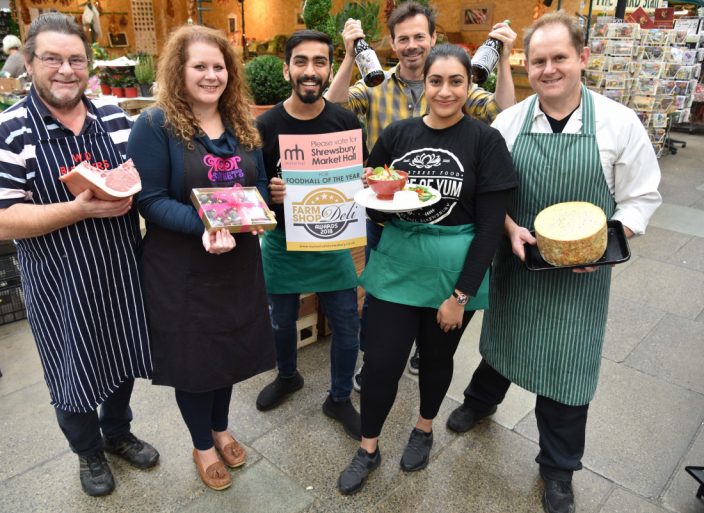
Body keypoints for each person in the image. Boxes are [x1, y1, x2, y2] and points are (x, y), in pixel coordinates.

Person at [445, 11, 662, 513]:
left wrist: (605, 243)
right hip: (518, 258)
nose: (548, 70)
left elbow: (641, 197)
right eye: (539, 60)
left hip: (581, 275)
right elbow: (489, 195)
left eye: (559, 58)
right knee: (503, 336)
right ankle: (480, 402)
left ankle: (558, 467)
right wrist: (507, 229)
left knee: (569, 366)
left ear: (582, 58)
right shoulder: (509, 121)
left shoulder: (617, 122)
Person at [0, 13, 158, 497]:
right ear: (30, 64)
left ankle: (117, 432)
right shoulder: (8, 131)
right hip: (59, 280)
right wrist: (79, 209)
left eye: (76, 59)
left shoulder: (114, 118)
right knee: (71, 368)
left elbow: (142, 183)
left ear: (89, 65)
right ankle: (88, 451)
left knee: (120, 356)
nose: (65, 69)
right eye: (52, 59)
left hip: (121, 271)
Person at [336, 44, 518, 495]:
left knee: (437, 361)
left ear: (469, 84)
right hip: (397, 264)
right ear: (425, 84)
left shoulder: (485, 141)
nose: (445, 91)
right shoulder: (398, 135)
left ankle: (423, 427)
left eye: (456, 81)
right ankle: (368, 447)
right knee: (379, 363)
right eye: (436, 81)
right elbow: (379, 209)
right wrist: (372, 195)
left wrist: (460, 297)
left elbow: (491, 227)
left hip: (453, 273)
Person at [325, 1, 517, 381]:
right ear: (393, 44)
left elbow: (504, 112)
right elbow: (333, 107)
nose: (412, 45)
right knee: (383, 293)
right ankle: (376, 354)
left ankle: (423, 347)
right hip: (387, 212)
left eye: (419, 37)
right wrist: (348, 56)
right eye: (403, 39)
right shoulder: (375, 83)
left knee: (435, 291)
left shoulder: (454, 85)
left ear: (433, 39)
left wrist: (506, 60)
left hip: (443, 215)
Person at [126, 24, 275, 492]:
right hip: (182, 268)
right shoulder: (154, 126)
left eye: (219, 67)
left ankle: (221, 426)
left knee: (227, 350)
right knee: (195, 360)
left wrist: (274, 196)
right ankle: (202, 444)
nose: (212, 76)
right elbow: (148, 200)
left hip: (237, 263)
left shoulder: (242, 123)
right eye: (200, 67)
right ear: (179, 70)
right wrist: (205, 225)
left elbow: (254, 186)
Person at [254, 30, 366, 440]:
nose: (310, 71)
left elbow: (358, 179)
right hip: (283, 245)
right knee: (280, 324)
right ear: (287, 68)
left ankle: (338, 397)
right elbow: (249, 193)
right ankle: (288, 376)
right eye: (301, 61)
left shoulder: (344, 122)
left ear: (329, 69)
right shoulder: (264, 126)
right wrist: (268, 192)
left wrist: (366, 181)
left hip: (332, 242)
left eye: (320, 62)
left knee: (347, 325)